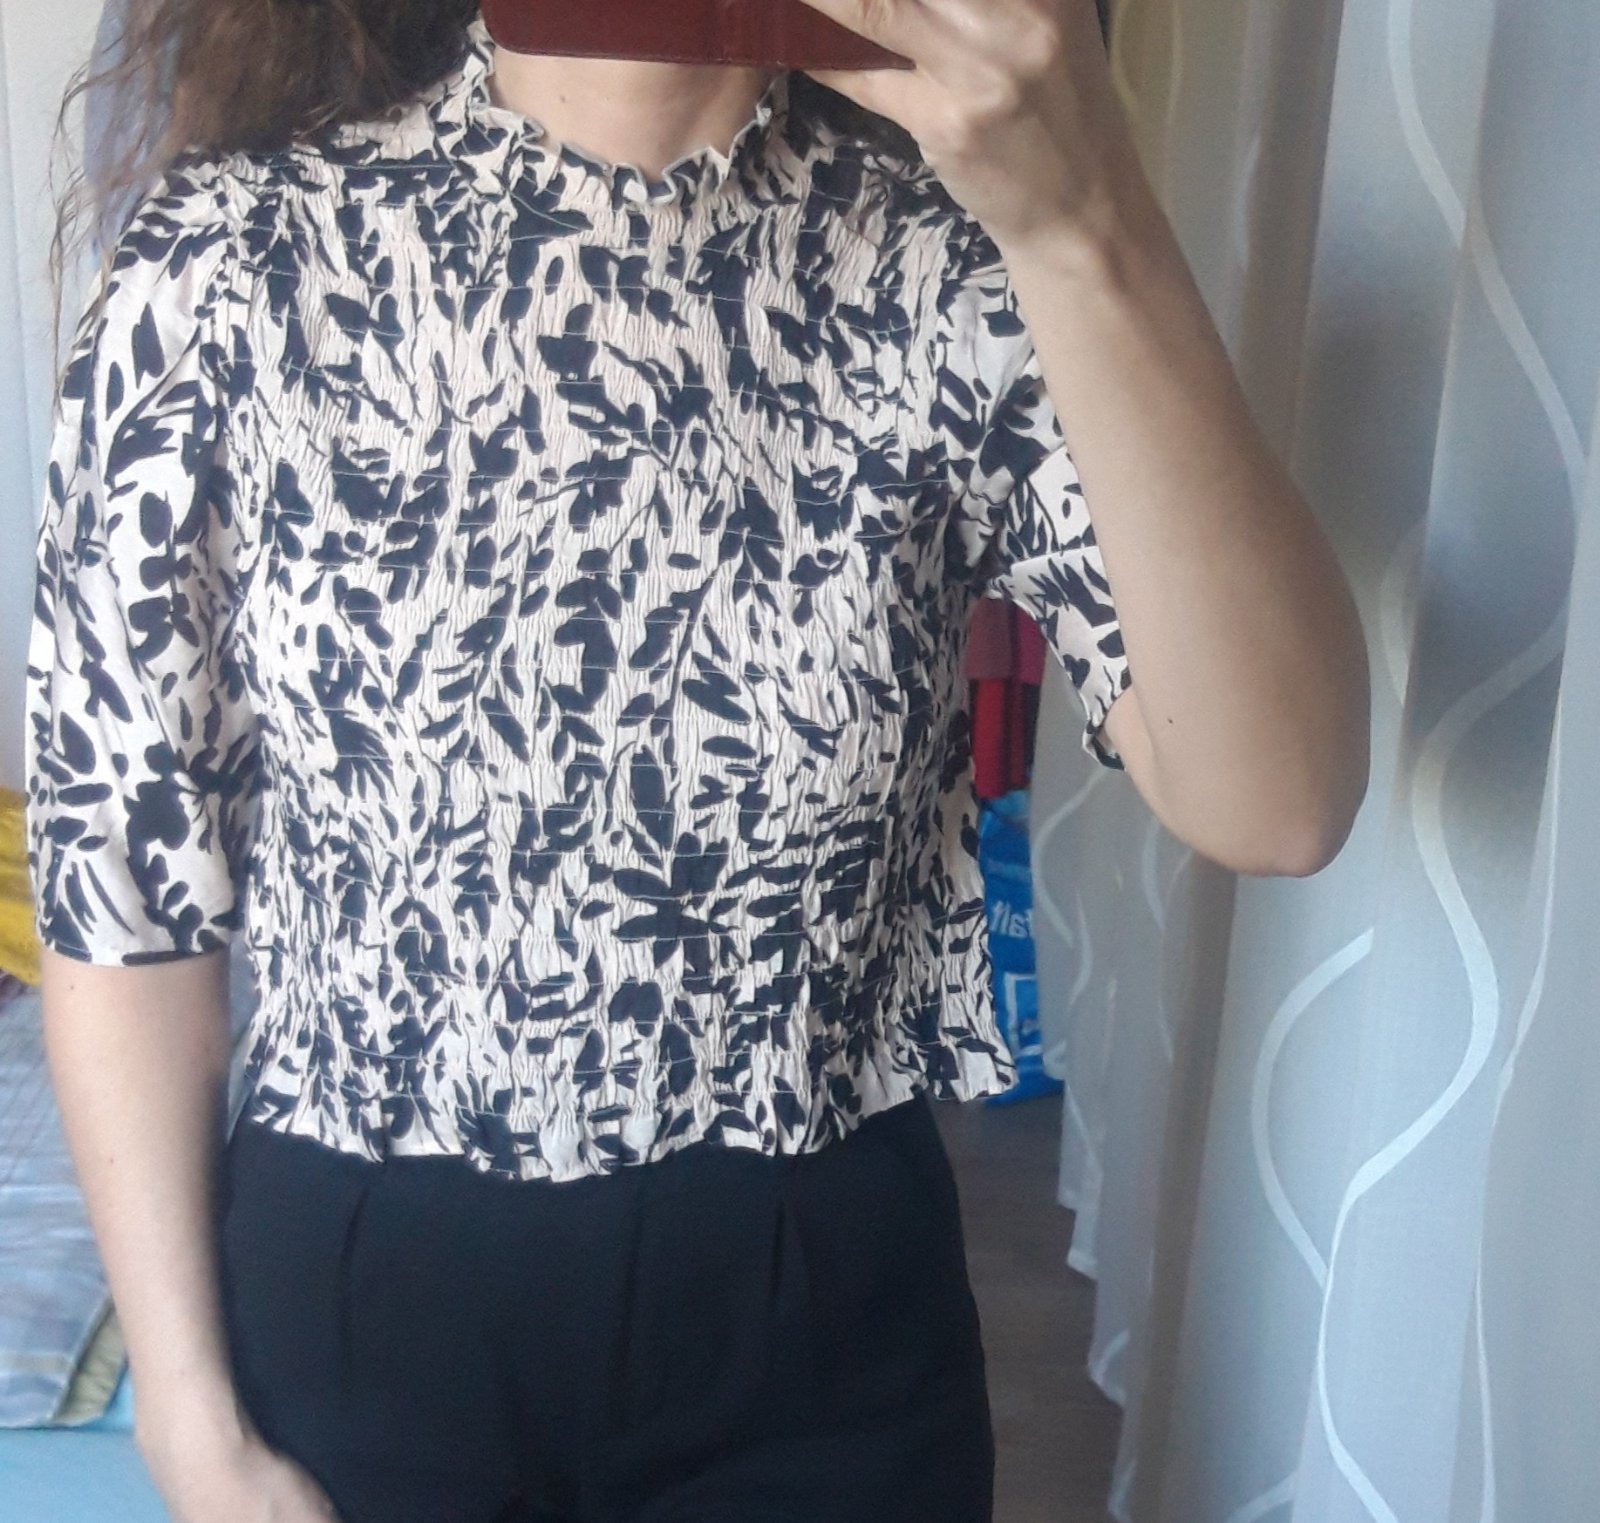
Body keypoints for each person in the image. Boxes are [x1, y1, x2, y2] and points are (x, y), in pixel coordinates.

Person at [25, 2, 1371, 1520]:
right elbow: (122, 888)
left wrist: (1089, 220)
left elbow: (1281, 798)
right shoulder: (232, 263)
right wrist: (186, 1419)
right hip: (359, 1310)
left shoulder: (959, 262)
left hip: (824, 1319)